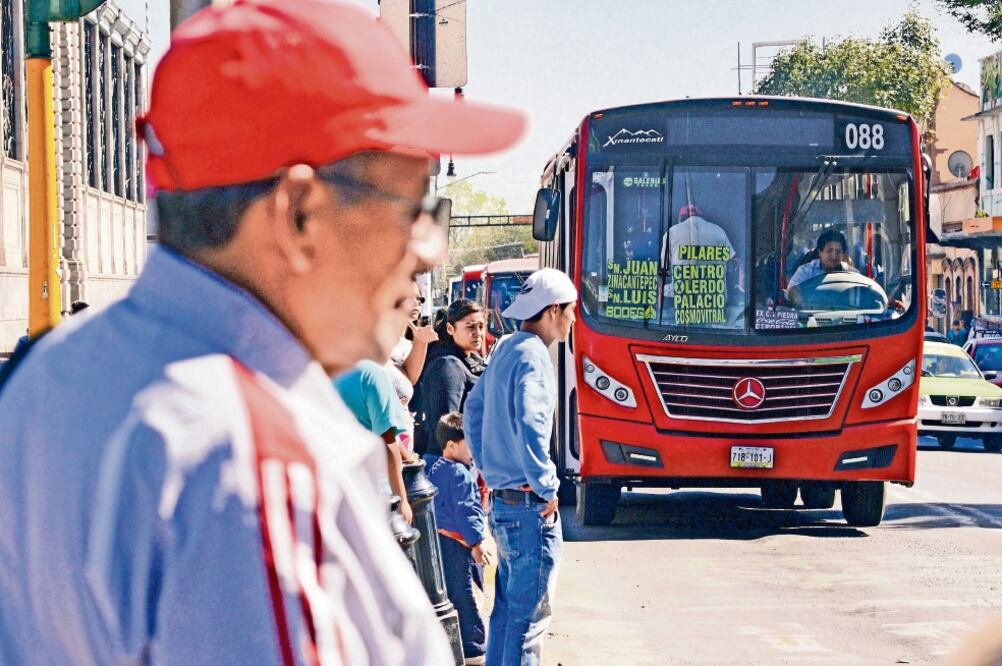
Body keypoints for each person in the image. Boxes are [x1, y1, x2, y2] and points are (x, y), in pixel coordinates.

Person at [0, 1, 525, 663]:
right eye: (412, 205)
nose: (428, 249)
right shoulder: (252, 466)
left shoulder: (45, 382)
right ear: (299, 214)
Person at [463, 268, 578, 666]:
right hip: (530, 507)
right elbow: (532, 421)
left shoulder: (507, 346)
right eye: (571, 310)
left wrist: (488, 466)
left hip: (504, 502)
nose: (573, 320)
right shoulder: (533, 354)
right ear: (553, 310)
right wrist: (546, 485)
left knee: (506, 616)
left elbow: (472, 410)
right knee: (528, 624)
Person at [424, 412, 491, 665]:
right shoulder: (461, 474)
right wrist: (477, 544)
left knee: (449, 593)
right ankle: (474, 648)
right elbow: (467, 511)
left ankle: (451, 643)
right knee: (467, 593)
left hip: (440, 542)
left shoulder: (432, 466)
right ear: (451, 446)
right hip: (461, 545)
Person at [333, 359, 415, 523]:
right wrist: (402, 501)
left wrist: (409, 458)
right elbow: (387, 441)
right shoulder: (374, 374)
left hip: (339, 491)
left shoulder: (325, 368)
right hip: (378, 493)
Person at [411, 299, 486, 455]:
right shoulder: (447, 366)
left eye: (481, 326)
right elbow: (444, 429)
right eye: (470, 326)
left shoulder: (471, 361)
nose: (477, 333)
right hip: (454, 459)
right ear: (450, 329)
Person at [787, 227, 859, 290]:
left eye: (838, 251)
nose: (834, 255)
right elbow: (791, 291)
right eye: (829, 251)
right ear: (820, 252)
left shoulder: (853, 274)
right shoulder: (805, 271)